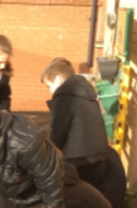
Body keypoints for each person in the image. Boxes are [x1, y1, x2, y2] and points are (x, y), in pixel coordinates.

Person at [41, 57, 108, 188]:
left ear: (58, 79)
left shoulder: (64, 96)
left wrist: (45, 156)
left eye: (49, 86)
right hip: (98, 158)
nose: (49, 91)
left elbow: (58, 132)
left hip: (78, 161)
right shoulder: (87, 94)